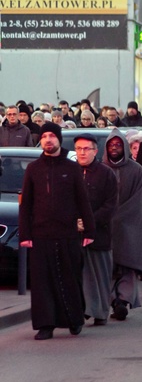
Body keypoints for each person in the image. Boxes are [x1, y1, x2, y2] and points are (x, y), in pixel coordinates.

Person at [19, 123, 96, 340]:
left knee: (70, 277)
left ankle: (74, 320)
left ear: (59, 139)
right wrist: (25, 235)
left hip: (68, 234)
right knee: (42, 282)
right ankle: (46, 325)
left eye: (52, 135)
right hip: (40, 235)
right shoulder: (33, 169)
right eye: (44, 136)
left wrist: (89, 230)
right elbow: (26, 204)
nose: (48, 140)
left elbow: (83, 201)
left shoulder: (71, 168)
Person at [74, 133, 119, 325]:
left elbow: (110, 204)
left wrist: (89, 222)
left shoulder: (106, 173)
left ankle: (100, 312)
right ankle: (82, 310)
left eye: (86, 149)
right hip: (73, 232)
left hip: (99, 232)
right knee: (78, 275)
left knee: (99, 274)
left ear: (95, 151)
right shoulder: (71, 171)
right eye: (79, 149)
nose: (82, 153)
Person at [104, 130, 142, 321]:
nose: (115, 148)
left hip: (129, 226)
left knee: (127, 266)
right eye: (111, 145)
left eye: (118, 144)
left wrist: (120, 216)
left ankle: (122, 300)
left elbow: (139, 200)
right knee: (108, 267)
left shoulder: (136, 170)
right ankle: (113, 300)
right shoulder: (100, 169)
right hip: (105, 227)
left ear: (124, 147)